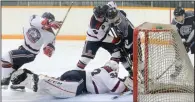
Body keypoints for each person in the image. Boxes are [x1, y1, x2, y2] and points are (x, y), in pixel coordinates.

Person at [1, 12, 62, 89]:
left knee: (6, 57)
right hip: (21, 49)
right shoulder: (34, 19)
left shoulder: (50, 34)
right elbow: (37, 21)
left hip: (29, 54)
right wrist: (48, 23)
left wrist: (49, 50)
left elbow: (49, 51)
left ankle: (5, 82)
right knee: (9, 69)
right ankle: (21, 82)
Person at [10, 60, 133, 98]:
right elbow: (118, 88)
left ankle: (24, 80)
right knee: (63, 90)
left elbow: (117, 83)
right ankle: (31, 78)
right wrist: (129, 84)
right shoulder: (108, 72)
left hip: (77, 75)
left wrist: (125, 80)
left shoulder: (102, 71)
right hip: (81, 81)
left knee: (51, 88)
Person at [171, 6, 194, 78]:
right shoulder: (174, 24)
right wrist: (183, 46)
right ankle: (177, 70)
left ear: (183, 15)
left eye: (179, 16)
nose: (177, 18)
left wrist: (188, 43)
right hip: (182, 39)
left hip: (192, 37)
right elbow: (176, 38)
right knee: (178, 54)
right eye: (176, 16)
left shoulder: (191, 15)